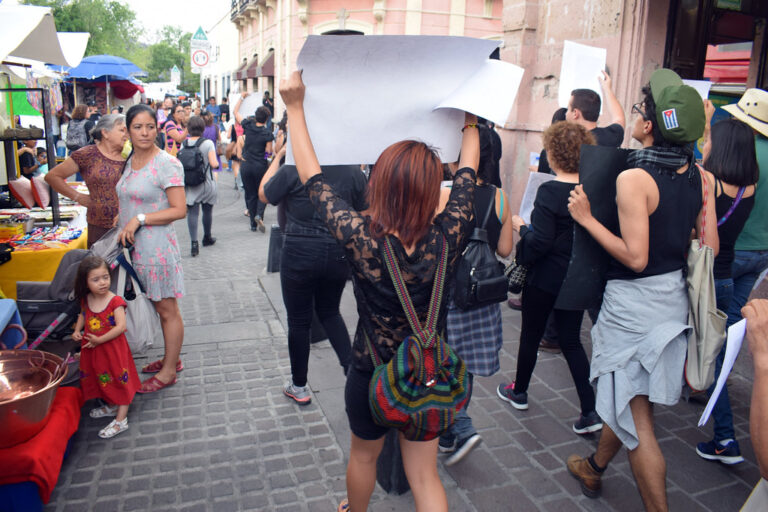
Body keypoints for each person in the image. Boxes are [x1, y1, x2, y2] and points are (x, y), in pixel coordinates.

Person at [281, 70, 478, 512]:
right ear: (433, 189)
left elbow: (315, 182)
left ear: (380, 183)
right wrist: (469, 122)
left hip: (371, 375)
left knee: (363, 457)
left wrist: (295, 108)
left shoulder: (361, 239)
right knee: (425, 476)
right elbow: (467, 175)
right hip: (427, 376)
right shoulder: (450, 233)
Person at [565, 69, 717, 510]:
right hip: (671, 298)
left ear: (649, 126)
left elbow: (635, 257)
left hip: (635, 304)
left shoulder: (635, 179)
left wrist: (587, 218)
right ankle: (593, 468)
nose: (631, 115)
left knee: (638, 416)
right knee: (631, 395)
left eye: (638, 110)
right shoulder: (697, 173)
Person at [497, 122, 602, 434]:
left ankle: (519, 391)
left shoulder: (549, 191)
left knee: (531, 334)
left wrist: (520, 228)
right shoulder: (591, 190)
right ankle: (589, 411)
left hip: (544, 279)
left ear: (553, 155)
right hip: (576, 277)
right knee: (571, 340)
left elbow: (539, 243)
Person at [260, 145, 367, 405]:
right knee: (330, 312)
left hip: (299, 251)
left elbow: (264, 194)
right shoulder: (353, 170)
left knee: (298, 321)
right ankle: (352, 372)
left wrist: (278, 156)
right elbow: (364, 214)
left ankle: (299, 386)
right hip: (337, 252)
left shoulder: (295, 166)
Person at [438, 123, 513, 466]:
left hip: (448, 292)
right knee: (464, 367)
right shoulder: (499, 197)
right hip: (481, 295)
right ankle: (454, 430)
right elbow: (506, 249)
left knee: (442, 362)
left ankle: (458, 427)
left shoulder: (445, 192)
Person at [693, 114, 760, 464]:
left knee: (712, 352)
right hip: (732, 275)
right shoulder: (750, 185)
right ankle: (698, 383)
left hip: (706, 276)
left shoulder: (708, 181)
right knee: (719, 345)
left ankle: (725, 437)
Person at [118, 104, 187, 394]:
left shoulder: (166, 163)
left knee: (167, 308)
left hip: (157, 250)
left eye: (149, 126)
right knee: (159, 307)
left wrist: (140, 219)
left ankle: (169, 370)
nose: (145, 132)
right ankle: (171, 358)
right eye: (138, 127)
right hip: (134, 250)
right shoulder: (130, 159)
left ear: (157, 129)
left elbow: (179, 209)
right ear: (128, 131)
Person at [720, 88, 768, 351]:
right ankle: (720, 381)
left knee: (711, 319)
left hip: (735, 248)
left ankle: (707, 380)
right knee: (734, 317)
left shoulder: (746, 154)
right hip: (762, 250)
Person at [72, 255, 140, 438]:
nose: (102, 283)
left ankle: (121, 420)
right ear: (85, 282)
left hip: (113, 351)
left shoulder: (115, 301)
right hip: (94, 350)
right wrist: (77, 330)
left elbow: (121, 327)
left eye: (105, 277)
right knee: (102, 376)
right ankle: (112, 405)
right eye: (96, 279)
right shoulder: (86, 299)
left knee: (119, 379)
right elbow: (82, 314)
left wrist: (100, 340)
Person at [46, 114, 128, 247]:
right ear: (105, 133)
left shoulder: (131, 154)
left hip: (131, 224)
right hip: (99, 225)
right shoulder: (87, 155)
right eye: (121, 130)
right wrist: (78, 196)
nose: (126, 134)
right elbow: (52, 177)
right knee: (100, 265)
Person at [234, 93, 273, 232]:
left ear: (256, 116)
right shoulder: (267, 133)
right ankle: (259, 215)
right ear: (267, 118)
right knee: (262, 191)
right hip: (259, 166)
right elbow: (269, 151)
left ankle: (252, 224)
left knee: (250, 193)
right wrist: (268, 155)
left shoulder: (248, 125)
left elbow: (235, 112)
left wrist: (242, 98)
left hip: (246, 165)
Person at [183, 115, 218, 257]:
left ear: (189, 129)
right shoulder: (208, 143)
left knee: (192, 213)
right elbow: (214, 163)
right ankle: (207, 237)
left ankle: (193, 243)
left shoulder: (184, 144)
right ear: (203, 128)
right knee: (207, 210)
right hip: (207, 182)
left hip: (191, 183)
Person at [566, 71, 626, 147]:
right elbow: (619, 119)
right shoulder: (610, 137)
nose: (566, 113)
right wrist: (607, 89)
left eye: (568, 109)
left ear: (575, 113)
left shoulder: (567, 144)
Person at [201, 110, 222, 179]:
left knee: (204, 168)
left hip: (202, 149)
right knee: (214, 169)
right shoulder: (216, 127)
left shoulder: (201, 127)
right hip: (214, 149)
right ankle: (214, 185)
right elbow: (219, 139)